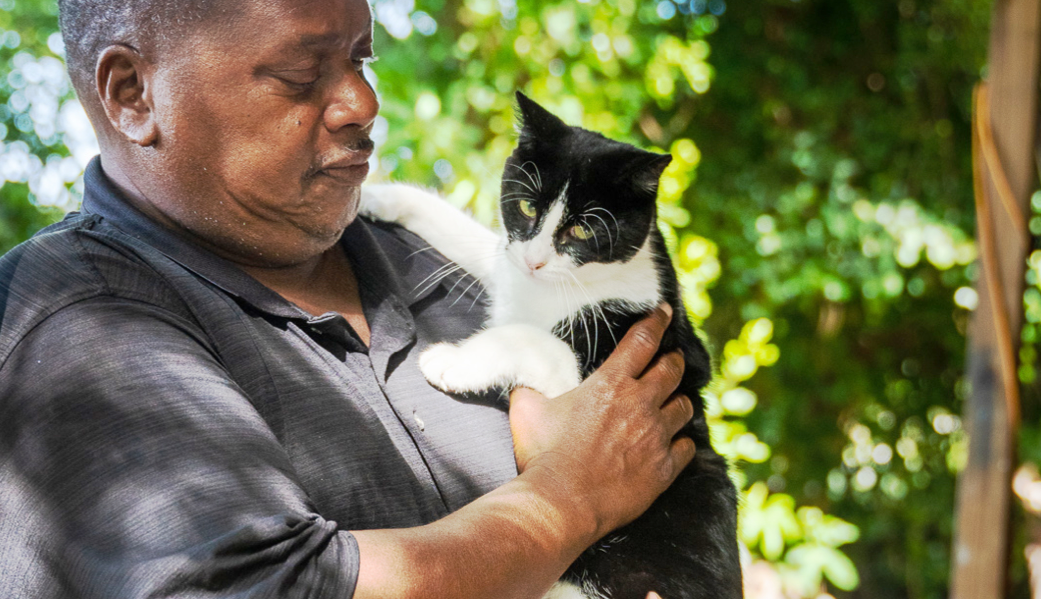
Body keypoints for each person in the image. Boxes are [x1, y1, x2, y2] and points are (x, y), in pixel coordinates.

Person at [0, 0, 696, 597]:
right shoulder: (81, 323)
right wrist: (568, 497)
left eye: (360, 60)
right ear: (132, 94)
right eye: (301, 74)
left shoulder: (431, 260)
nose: (363, 102)